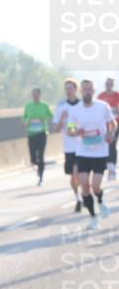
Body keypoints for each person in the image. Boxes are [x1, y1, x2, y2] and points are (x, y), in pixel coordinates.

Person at [66, 79, 115, 230]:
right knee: (85, 187)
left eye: (90, 89)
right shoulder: (75, 110)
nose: (87, 92)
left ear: (94, 91)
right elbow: (70, 129)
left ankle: (100, 200)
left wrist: (111, 134)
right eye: (85, 89)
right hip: (83, 152)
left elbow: (113, 123)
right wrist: (76, 132)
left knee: (95, 187)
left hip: (100, 152)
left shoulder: (103, 106)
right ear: (81, 91)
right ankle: (93, 217)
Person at [54, 79, 84, 211]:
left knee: (78, 174)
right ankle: (78, 198)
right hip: (68, 147)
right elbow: (56, 129)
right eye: (66, 88)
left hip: (82, 146)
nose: (68, 90)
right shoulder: (61, 107)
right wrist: (62, 118)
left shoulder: (83, 105)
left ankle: (84, 195)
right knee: (73, 178)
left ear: (75, 89)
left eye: (70, 88)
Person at [22, 87, 53, 186]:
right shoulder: (28, 106)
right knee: (33, 158)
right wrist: (28, 121)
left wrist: (42, 118)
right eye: (33, 94)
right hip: (31, 134)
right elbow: (24, 118)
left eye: (36, 94)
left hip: (42, 133)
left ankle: (41, 176)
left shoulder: (44, 105)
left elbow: (51, 116)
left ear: (39, 95)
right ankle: (37, 165)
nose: (35, 96)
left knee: (41, 155)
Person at [98, 77, 119, 182]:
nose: (108, 85)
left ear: (113, 85)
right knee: (106, 146)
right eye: (107, 84)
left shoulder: (117, 95)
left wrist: (116, 110)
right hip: (103, 125)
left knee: (112, 145)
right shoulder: (101, 96)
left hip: (115, 124)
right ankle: (109, 166)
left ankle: (112, 167)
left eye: (110, 84)